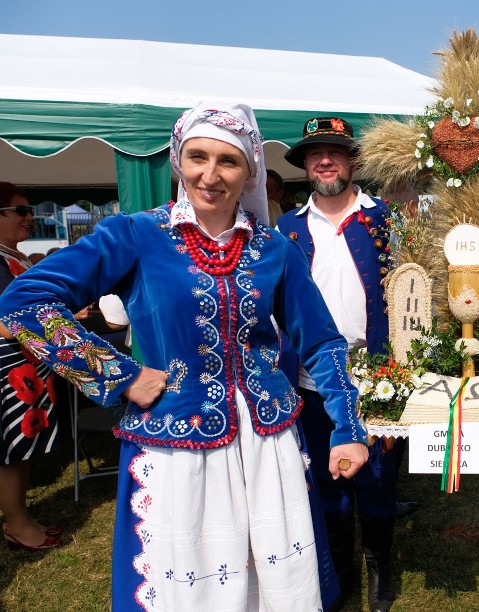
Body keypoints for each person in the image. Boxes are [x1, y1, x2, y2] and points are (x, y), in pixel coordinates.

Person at [0, 103, 369, 611]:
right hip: (174, 446)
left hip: (268, 446)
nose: (210, 175)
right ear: (178, 160)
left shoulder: (274, 250)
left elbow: (322, 342)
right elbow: (23, 303)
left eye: (228, 161)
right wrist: (117, 373)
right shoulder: (134, 234)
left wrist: (347, 429)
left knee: (274, 581)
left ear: (251, 171)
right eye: (197, 156)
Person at [278, 117, 400, 612]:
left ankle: (380, 567)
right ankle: (339, 569)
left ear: (352, 161)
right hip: (310, 379)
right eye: (314, 154)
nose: (324, 160)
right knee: (325, 483)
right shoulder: (286, 230)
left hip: (377, 377)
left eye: (335, 152)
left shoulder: (386, 220)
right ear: (306, 166)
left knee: (377, 481)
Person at [0, 182, 62, 552]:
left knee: (21, 447)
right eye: (21, 211)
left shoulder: (15, 257)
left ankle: (21, 518)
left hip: (26, 364)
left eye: (30, 211)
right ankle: (17, 525)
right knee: (9, 450)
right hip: (8, 368)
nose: (30, 218)